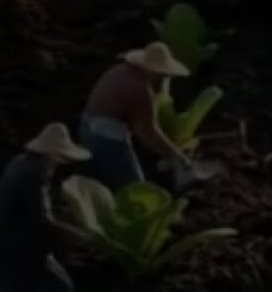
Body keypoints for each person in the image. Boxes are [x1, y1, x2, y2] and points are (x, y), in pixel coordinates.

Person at [0, 123, 90, 292]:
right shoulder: (35, 176)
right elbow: (41, 221)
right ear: (52, 154)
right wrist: (77, 236)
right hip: (20, 247)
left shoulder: (18, 163)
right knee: (60, 290)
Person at [79, 42, 195, 191]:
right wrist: (177, 157)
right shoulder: (140, 90)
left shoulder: (118, 70)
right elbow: (148, 133)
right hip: (106, 138)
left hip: (86, 128)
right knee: (136, 189)